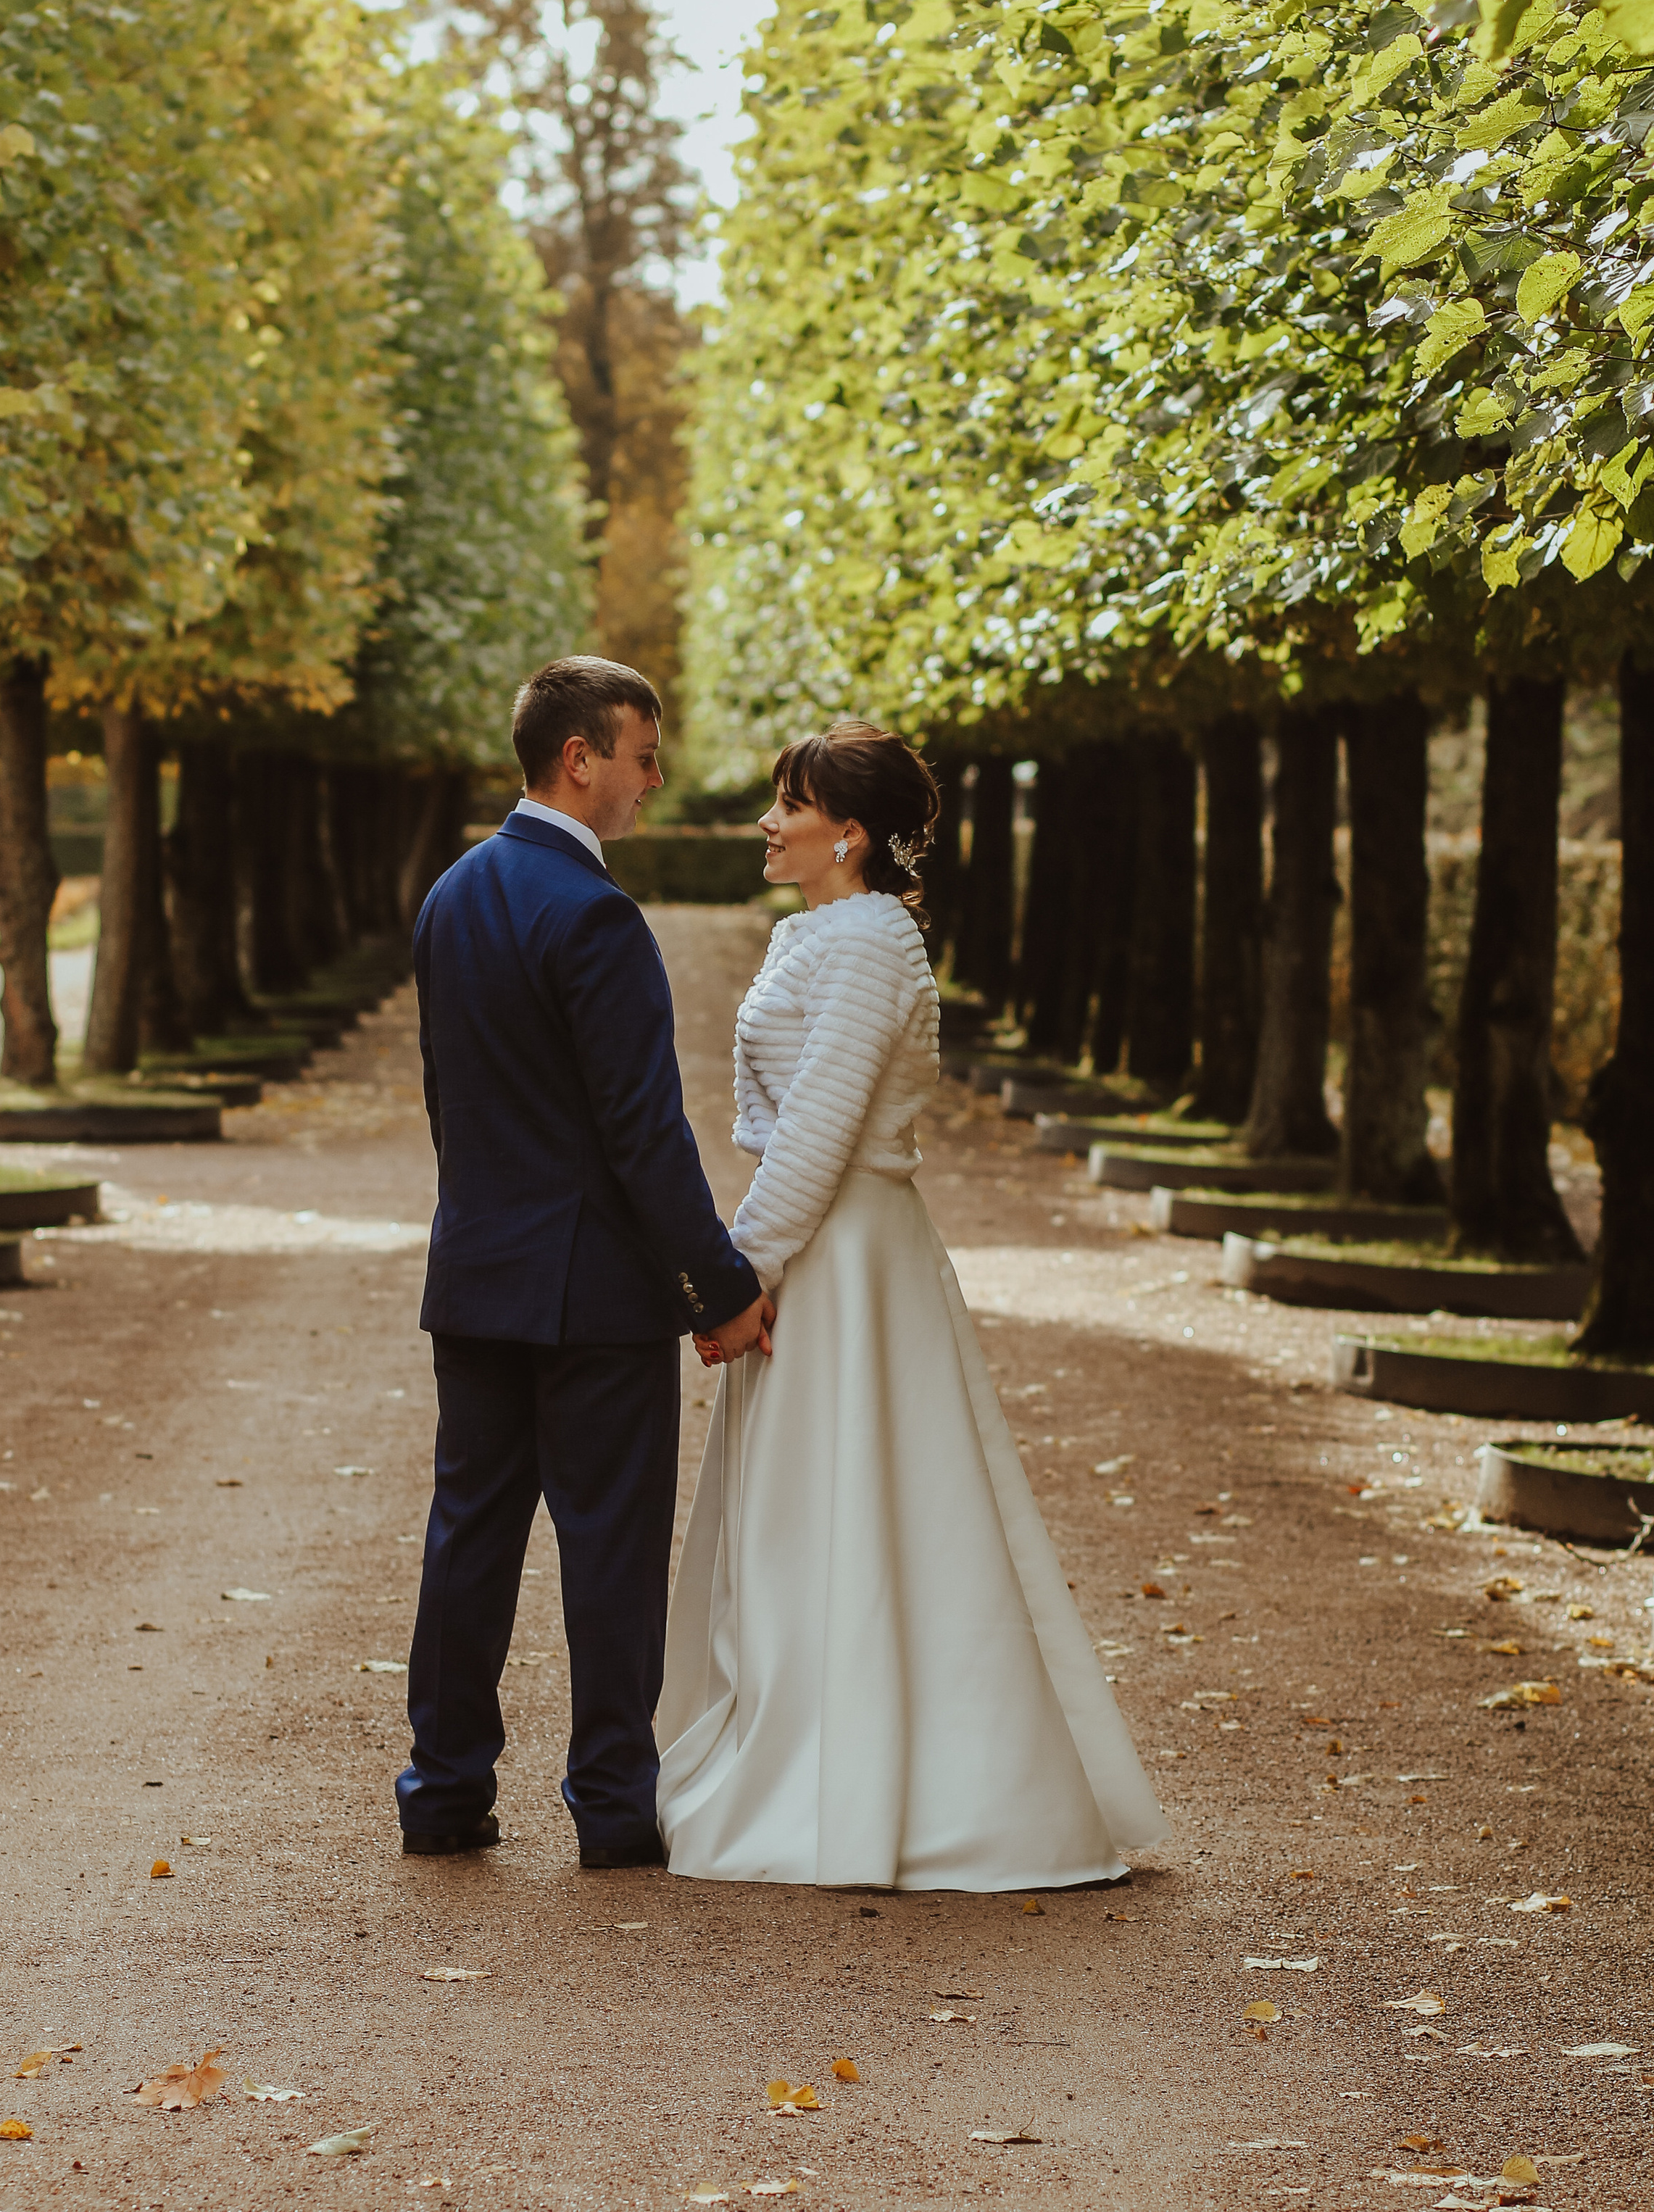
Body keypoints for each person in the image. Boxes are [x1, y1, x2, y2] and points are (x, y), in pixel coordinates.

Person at [656, 719, 1166, 1889]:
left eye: (792, 803)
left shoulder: (872, 944)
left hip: (845, 1257)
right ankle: (805, 1745)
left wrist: (742, 1277)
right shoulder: (822, 932)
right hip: (825, 1246)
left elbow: (826, 1130)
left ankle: (873, 1783)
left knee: (859, 1501)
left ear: (852, 832)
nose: (769, 821)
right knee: (810, 1507)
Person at [399, 655, 773, 1871]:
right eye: (643, 757)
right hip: (598, 1297)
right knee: (611, 1553)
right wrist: (720, 1285)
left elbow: (448, 1102)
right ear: (581, 759)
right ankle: (614, 1809)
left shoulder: (451, 895)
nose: (653, 781)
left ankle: (444, 1794)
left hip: (479, 1275)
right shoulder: (599, 916)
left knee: (468, 1539)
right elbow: (643, 1134)